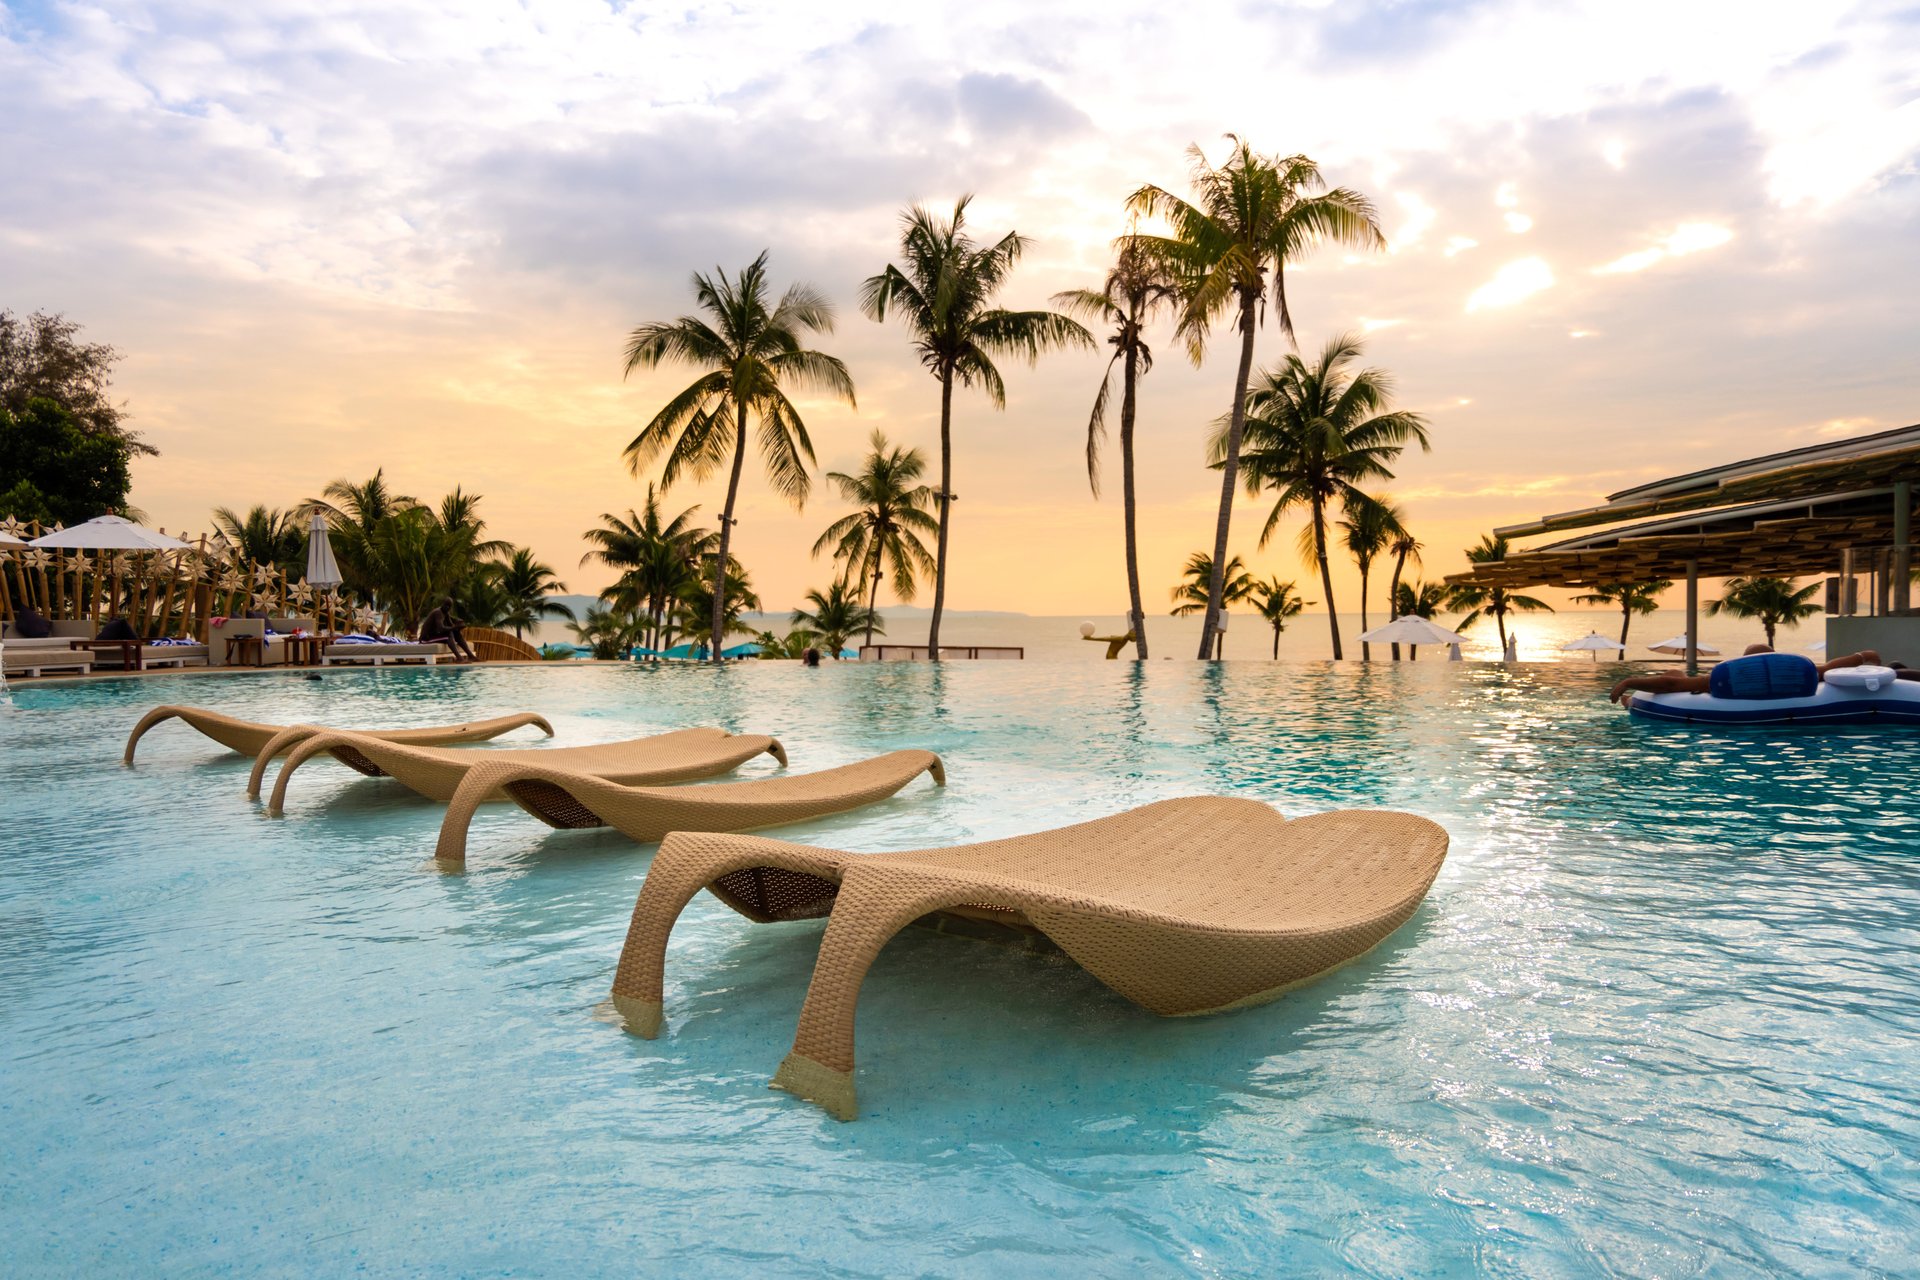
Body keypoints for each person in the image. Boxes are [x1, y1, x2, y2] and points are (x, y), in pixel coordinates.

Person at [1609, 645, 1884, 704]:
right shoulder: (1809, 675)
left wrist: (1628, 681)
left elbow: (1670, 684)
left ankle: (1630, 701)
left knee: (1675, 673)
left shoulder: (1720, 682)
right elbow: (1844, 662)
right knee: (1676, 674)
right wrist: (1863, 657)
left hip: (1716, 697)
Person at [418, 596, 478, 662]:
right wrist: (454, 627)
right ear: (442, 604)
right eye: (446, 605)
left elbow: (451, 625)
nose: (447, 607)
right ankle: (459, 657)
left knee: (457, 633)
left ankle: (470, 656)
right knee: (448, 634)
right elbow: (441, 628)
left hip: (434, 635)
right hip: (426, 638)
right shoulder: (438, 612)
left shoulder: (446, 613)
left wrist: (459, 626)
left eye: (449, 606)